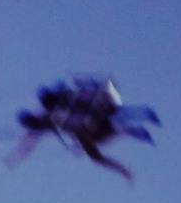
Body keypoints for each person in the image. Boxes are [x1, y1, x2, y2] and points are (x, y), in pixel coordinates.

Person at [9, 77, 159, 182]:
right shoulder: (48, 115)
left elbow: (31, 138)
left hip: (94, 120)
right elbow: (31, 138)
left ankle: (134, 128)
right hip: (90, 127)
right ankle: (129, 139)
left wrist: (18, 155)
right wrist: (18, 155)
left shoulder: (63, 102)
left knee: (97, 147)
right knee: (95, 155)